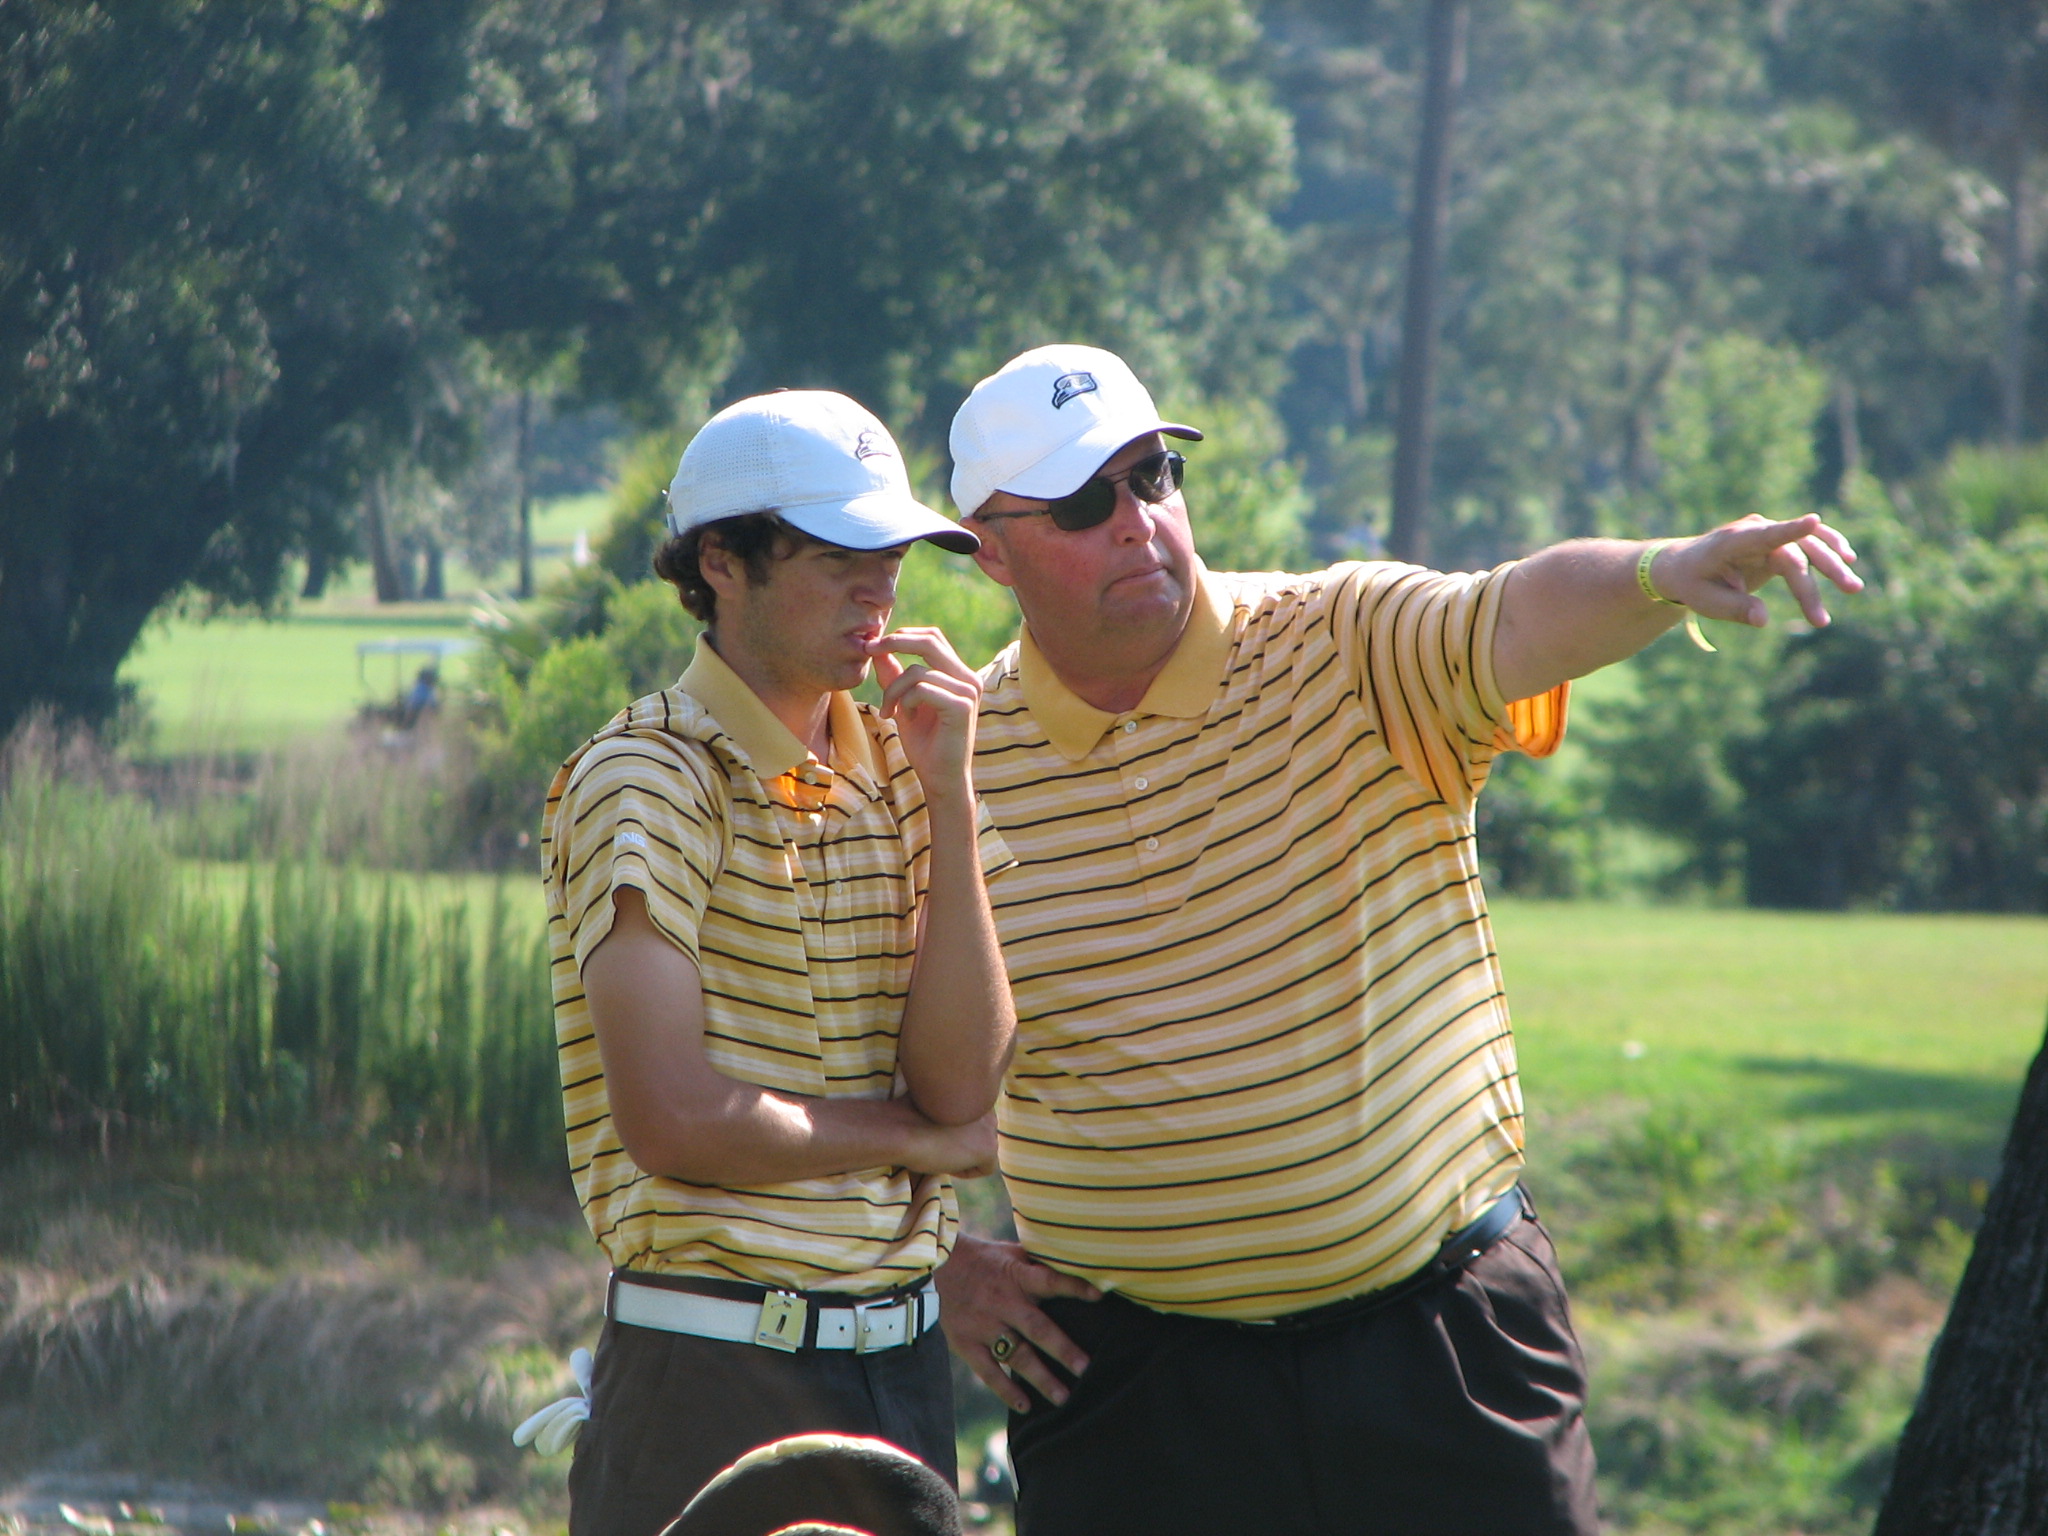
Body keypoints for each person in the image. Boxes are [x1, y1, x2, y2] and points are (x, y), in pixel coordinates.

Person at [931, 344, 1863, 1536]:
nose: (1135, 520)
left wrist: (1660, 572)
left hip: (1441, 1348)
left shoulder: (1344, 638)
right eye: (1079, 502)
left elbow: (1515, 611)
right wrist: (939, 1263)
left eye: (1152, 476)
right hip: (1138, 1393)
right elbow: (835, 1056)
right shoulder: (946, 767)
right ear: (989, 550)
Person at [537, 390, 1017, 1536]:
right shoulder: (646, 777)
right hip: (710, 1377)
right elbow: (673, 1120)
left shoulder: (905, 763)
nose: (878, 589)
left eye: (889, 555)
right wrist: (910, 1139)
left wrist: (950, 796)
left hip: (901, 1376)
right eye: (839, 556)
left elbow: (962, 1090)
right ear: (721, 562)